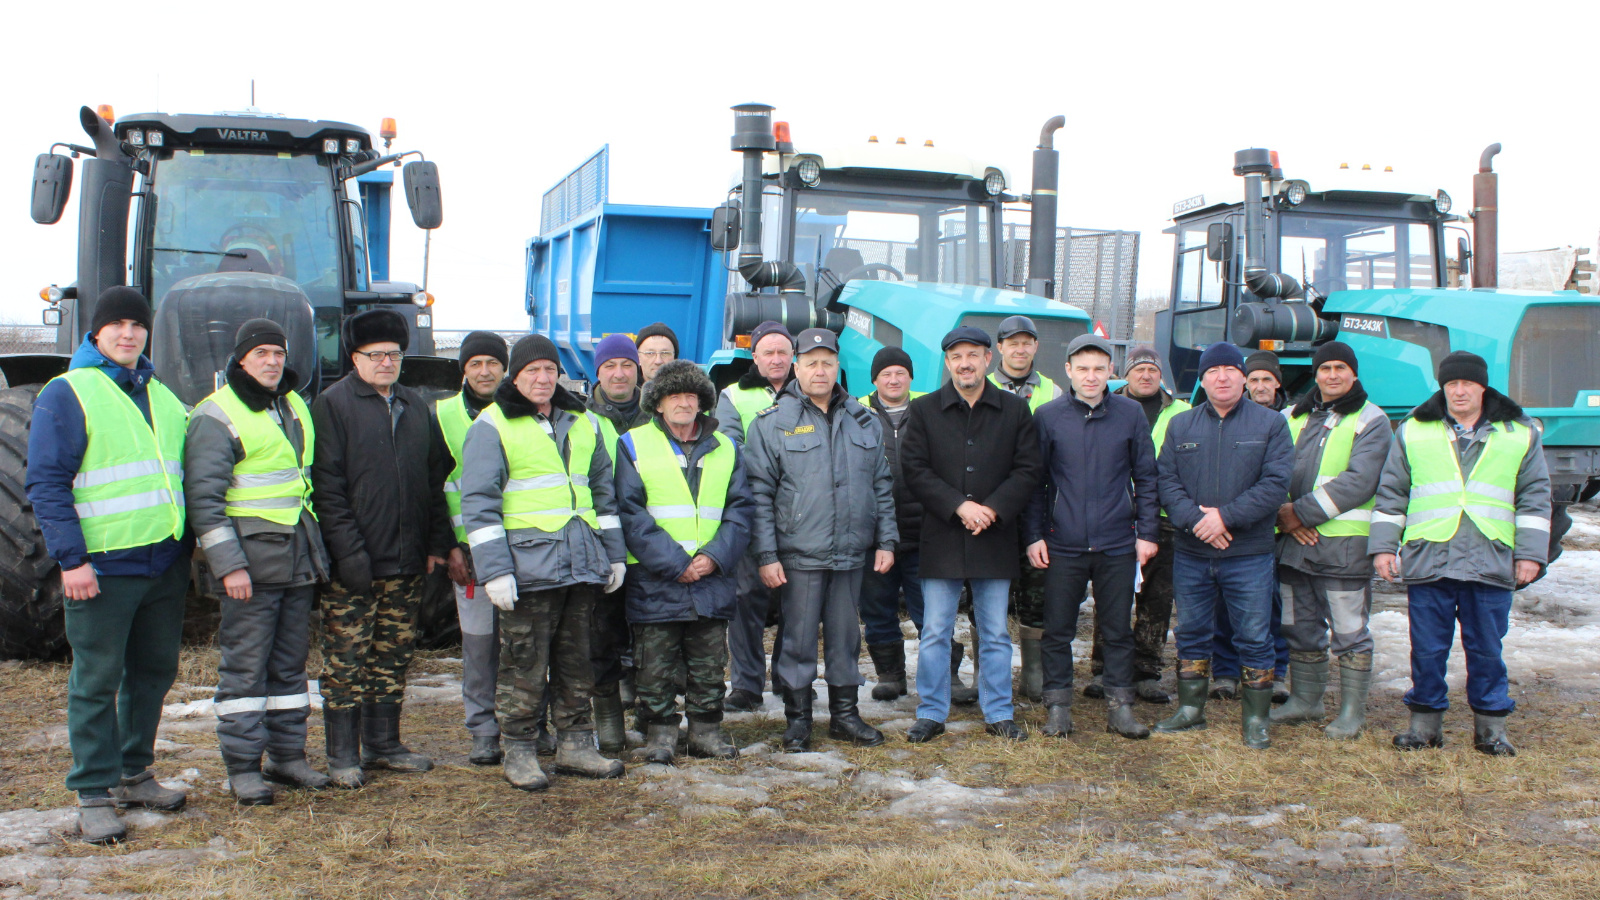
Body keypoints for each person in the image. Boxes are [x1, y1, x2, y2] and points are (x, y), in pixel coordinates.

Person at [27, 287, 191, 844]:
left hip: (163, 565)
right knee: (97, 679)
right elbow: (47, 483)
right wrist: (71, 561)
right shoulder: (68, 392)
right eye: (116, 324)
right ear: (95, 332)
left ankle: (133, 772)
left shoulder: (163, 396)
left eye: (137, 325)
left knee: (153, 672)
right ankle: (93, 791)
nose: (128, 333)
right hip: (101, 568)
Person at [459, 335, 629, 790]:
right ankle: (519, 747)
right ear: (516, 376)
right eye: (532, 370)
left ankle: (576, 744)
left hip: (580, 564)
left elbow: (603, 496)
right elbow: (478, 503)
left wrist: (615, 557)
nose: (542, 378)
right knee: (524, 664)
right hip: (527, 569)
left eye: (549, 370)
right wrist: (494, 571)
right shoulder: (492, 426)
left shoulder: (584, 423)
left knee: (577, 662)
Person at [1371, 350, 1551, 756]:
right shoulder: (1413, 430)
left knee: (1487, 648)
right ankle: (1424, 728)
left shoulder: (1519, 433)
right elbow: (1392, 492)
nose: (1459, 390)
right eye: (1451, 383)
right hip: (1429, 557)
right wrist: (1383, 547)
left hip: (1490, 558)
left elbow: (1536, 498)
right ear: (1443, 386)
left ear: (1483, 386)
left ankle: (1491, 730)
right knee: (1428, 648)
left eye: (1467, 383)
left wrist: (1530, 555)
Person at [185, 319, 332, 805]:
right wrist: (230, 566)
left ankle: (288, 756)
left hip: (294, 556)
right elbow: (204, 502)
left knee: (291, 668)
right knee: (246, 669)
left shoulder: (292, 406)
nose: (272, 361)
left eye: (278, 353)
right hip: (251, 563)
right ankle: (244, 767)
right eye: (261, 353)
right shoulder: (217, 415)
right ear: (241, 360)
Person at [311, 308, 454, 786]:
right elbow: (327, 487)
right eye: (377, 356)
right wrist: (348, 553)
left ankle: (383, 743)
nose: (387, 363)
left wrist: (436, 541)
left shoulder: (415, 407)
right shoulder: (332, 405)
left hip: (406, 560)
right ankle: (341, 754)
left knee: (393, 653)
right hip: (354, 563)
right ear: (356, 358)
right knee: (346, 658)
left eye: (394, 355)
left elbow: (434, 479)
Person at [745, 328, 897, 752]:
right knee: (797, 639)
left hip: (851, 551)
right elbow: (758, 494)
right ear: (797, 368)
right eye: (810, 362)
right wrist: (766, 555)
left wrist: (886, 540)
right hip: (798, 554)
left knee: (847, 637)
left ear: (837, 367)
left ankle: (845, 716)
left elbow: (880, 484)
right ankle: (798, 722)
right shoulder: (773, 423)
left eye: (827, 362)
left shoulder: (864, 420)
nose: (820, 370)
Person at [900, 326, 1042, 743]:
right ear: (948, 363)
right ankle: (931, 712)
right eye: (957, 356)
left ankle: (998, 712)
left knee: (995, 631)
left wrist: (992, 509)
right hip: (942, 534)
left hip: (995, 537)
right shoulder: (925, 410)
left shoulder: (1015, 411)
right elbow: (915, 469)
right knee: (936, 630)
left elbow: (1028, 469)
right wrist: (958, 506)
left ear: (987, 360)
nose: (965, 363)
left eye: (973, 355)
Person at [1154, 341, 1293, 749]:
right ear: (1202, 379)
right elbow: (1166, 482)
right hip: (1194, 553)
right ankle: (1191, 710)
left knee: (1254, 635)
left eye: (1230, 370)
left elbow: (1275, 485)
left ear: (1243, 378)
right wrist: (1198, 522)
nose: (1222, 378)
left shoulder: (1270, 425)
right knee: (1193, 632)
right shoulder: (1182, 425)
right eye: (1212, 371)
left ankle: (1256, 720)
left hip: (1247, 554)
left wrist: (1224, 517)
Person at [614, 360, 754, 764]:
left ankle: (706, 731)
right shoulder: (632, 444)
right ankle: (659, 734)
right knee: (653, 665)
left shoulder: (727, 448)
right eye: (674, 395)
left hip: (712, 577)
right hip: (658, 578)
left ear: (702, 403)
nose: (683, 403)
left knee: (709, 663)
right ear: (658, 403)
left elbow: (741, 509)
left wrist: (712, 557)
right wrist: (676, 562)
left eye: (691, 396)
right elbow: (629, 512)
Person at [1025, 334, 1158, 740]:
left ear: (1111, 372)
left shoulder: (1130, 414)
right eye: (1082, 368)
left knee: (1117, 629)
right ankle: (1058, 707)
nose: (1091, 376)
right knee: (1058, 629)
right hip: (1063, 542)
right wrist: (1034, 535)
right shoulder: (1048, 416)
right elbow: (1036, 484)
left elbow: (1147, 477)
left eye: (1099, 369)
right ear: (1068, 370)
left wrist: (1147, 532)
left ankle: (1120, 707)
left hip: (1118, 541)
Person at [1270, 341, 1390, 739]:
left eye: (1341, 367)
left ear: (1354, 373)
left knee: (1349, 631)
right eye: (1325, 368)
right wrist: (1282, 516)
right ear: (1315, 373)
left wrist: (1296, 513)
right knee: (1298, 626)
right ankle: (1306, 701)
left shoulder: (1372, 420)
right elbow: (1268, 470)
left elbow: (1360, 480)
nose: (1333, 375)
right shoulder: (1290, 416)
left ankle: (1352, 714)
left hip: (1343, 547)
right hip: (1292, 545)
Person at [1085, 345, 1190, 703]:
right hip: (1114, 517)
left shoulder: (1181, 412)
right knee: (1109, 596)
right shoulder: (1106, 406)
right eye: (1138, 369)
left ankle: (1147, 670)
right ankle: (1104, 668)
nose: (1146, 376)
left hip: (1164, 519)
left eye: (1152, 370)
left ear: (1161, 376)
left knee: (1158, 597)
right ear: (1124, 374)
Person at [435, 330, 509, 765]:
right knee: (479, 645)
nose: (485, 371)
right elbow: (431, 484)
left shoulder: (522, 412)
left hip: (518, 548)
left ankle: (526, 725)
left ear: (504, 368)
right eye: (475, 363)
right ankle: (482, 728)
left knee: (524, 647)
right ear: (463, 369)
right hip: (469, 554)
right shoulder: (442, 415)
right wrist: (449, 547)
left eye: (493, 363)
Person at [715, 321, 794, 712]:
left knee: (797, 599)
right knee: (747, 597)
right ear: (755, 357)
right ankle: (746, 684)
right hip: (751, 509)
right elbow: (730, 447)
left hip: (801, 513)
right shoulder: (732, 395)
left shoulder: (810, 390)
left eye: (783, 352)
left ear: (792, 356)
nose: (776, 359)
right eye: (769, 352)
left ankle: (788, 677)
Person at [1211, 349, 1292, 701]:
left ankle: (1276, 671)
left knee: (1269, 607)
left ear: (1277, 384)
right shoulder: (1224, 418)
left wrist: (1295, 514)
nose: (1260, 386)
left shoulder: (1289, 418)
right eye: (1255, 379)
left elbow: (1284, 478)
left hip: (1277, 527)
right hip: (1228, 529)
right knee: (1223, 605)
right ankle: (1226, 669)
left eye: (1266, 380)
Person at [987, 315, 1060, 700]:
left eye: (1026, 342)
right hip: (989, 512)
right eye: (1011, 343)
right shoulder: (977, 386)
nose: (1019, 349)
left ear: (1035, 347)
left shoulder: (1053, 391)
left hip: (1036, 507)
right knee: (988, 597)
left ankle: (1034, 674)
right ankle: (991, 675)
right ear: (999, 349)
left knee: (1037, 593)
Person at [586, 333, 652, 752]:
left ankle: (652, 713)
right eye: (610, 365)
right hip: (603, 547)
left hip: (650, 547)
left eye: (626, 364)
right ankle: (608, 722)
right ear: (597, 372)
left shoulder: (656, 415)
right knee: (602, 636)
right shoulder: (580, 417)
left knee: (652, 637)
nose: (619, 373)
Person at [859, 347, 927, 701]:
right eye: (886, 374)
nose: (894, 379)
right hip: (873, 536)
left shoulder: (929, 410)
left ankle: (943, 674)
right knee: (877, 608)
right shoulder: (856, 411)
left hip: (923, 532)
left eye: (901, 372)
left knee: (930, 611)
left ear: (910, 377)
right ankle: (890, 675)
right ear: (875, 379)